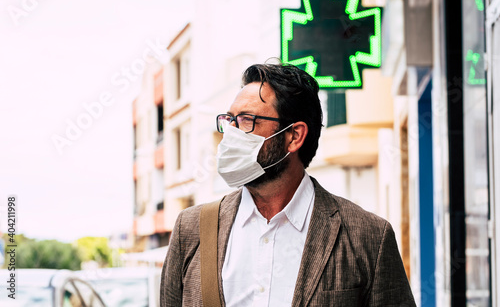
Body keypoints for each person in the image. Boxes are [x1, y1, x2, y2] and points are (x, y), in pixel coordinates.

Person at [160, 63, 416, 306]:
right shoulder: (191, 229)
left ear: (294, 136)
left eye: (248, 120)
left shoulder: (368, 236)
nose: (232, 134)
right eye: (230, 121)